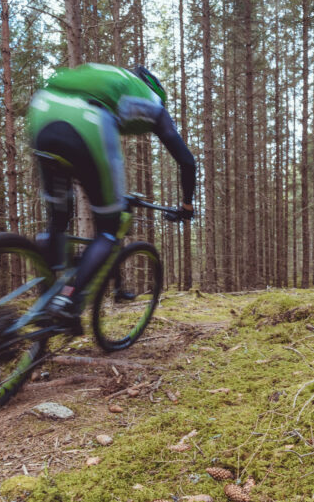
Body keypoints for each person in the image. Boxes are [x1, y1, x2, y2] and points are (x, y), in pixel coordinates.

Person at [25, 63, 196, 317]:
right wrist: (186, 206)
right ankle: (66, 303)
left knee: (58, 220)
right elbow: (186, 161)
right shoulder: (152, 101)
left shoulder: (107, 78)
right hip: (87, 120)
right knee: (108, 230)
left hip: (42, 110)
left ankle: (46, 300)